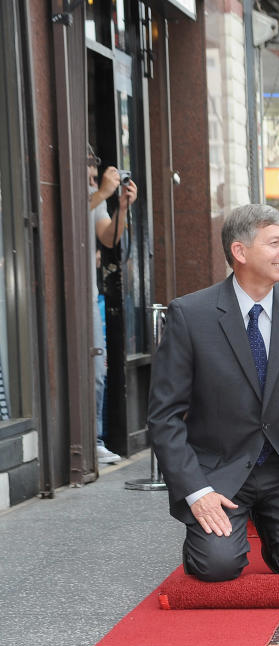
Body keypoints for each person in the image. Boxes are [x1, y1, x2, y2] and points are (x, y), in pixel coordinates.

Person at [147, 204, 279, 582]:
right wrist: (196, 491)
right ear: (239, 252)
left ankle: (276, 535)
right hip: (218, 470)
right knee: (216, 566)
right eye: (275, 243)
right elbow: (164, 416)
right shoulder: (191, 314)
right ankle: (215, 538)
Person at [87, 144, 137, 466]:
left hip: (89, 293)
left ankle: (95, 439)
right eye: (89, 175)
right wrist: (102, 192)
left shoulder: (96, 195)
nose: (94, 180)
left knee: (97, 368)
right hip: (66, 293)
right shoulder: (90, 194)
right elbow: (64, 218)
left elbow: (107, 238)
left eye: (96, 176)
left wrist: (120, 206)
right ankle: (87, 440)